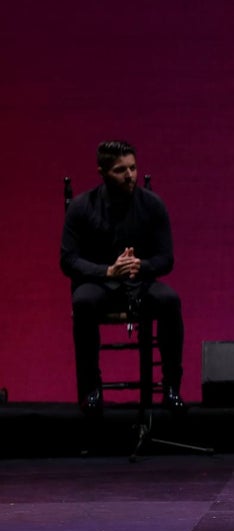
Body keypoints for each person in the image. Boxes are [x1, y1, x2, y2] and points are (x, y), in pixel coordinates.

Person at [61, 140, 186, 416]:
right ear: (102, 172)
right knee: (82, 302)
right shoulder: (82, 207)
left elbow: (166, 259)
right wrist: (107, 271)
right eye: (120, 170)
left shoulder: (152, 205)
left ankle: (171, 387)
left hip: (138, 282)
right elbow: (68, 261)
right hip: (100, 284)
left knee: (170, 301)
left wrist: (138, 265)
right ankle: (91, 390)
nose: (130, 175)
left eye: (133, 168)